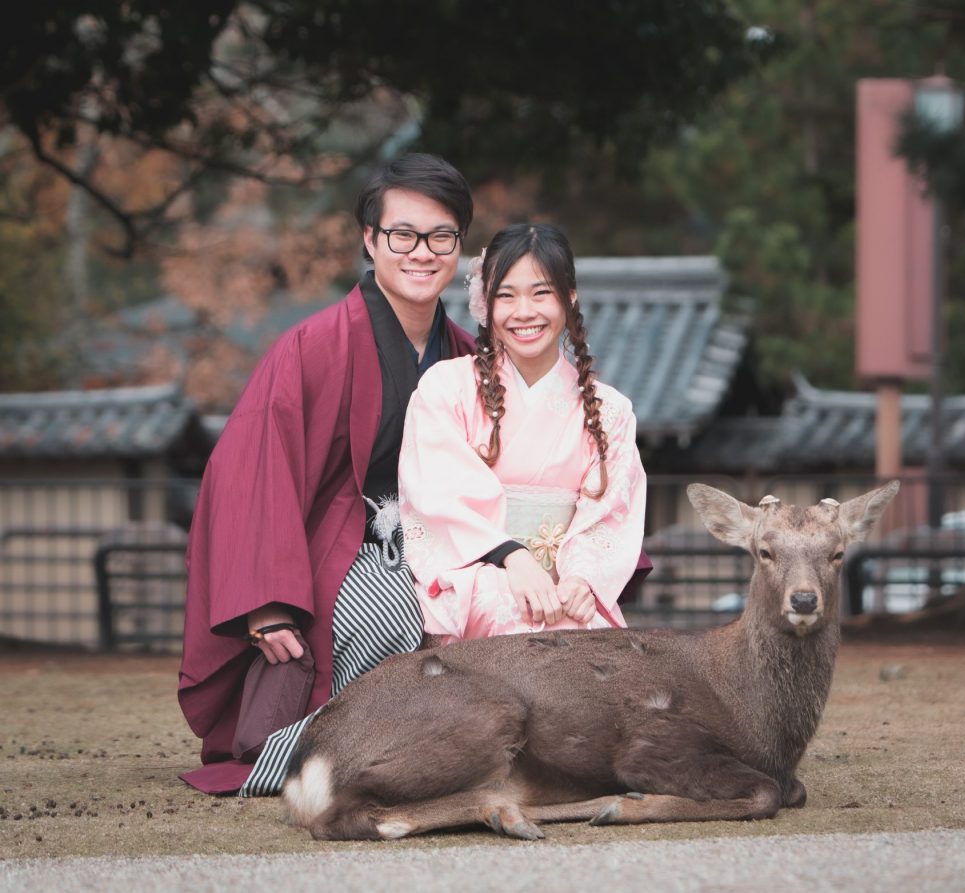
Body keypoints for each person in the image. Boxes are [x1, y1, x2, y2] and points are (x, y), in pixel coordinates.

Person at [177, 153, 476, 796]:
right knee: (385, 613)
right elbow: (252, 472)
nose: (422, 252)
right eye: (403, 235)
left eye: (442, 236)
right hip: (339, 548)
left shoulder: (468, 355)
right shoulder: (313, 347)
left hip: (449, 543)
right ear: (370, 241)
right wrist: (266, 604)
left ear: (459, 245)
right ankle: (332, 749)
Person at [398, 223, 647, 642]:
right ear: (486, 304)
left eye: (541, 293)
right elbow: (438, 495)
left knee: (590, 640)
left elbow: (608, 517)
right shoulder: (446, 389)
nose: (524, 312)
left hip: (565, 583)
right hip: (476, 577)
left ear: (569, 298)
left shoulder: (612, 411)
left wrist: (582, 581)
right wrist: (512, 559)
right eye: (507, 296)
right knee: (518, 613)